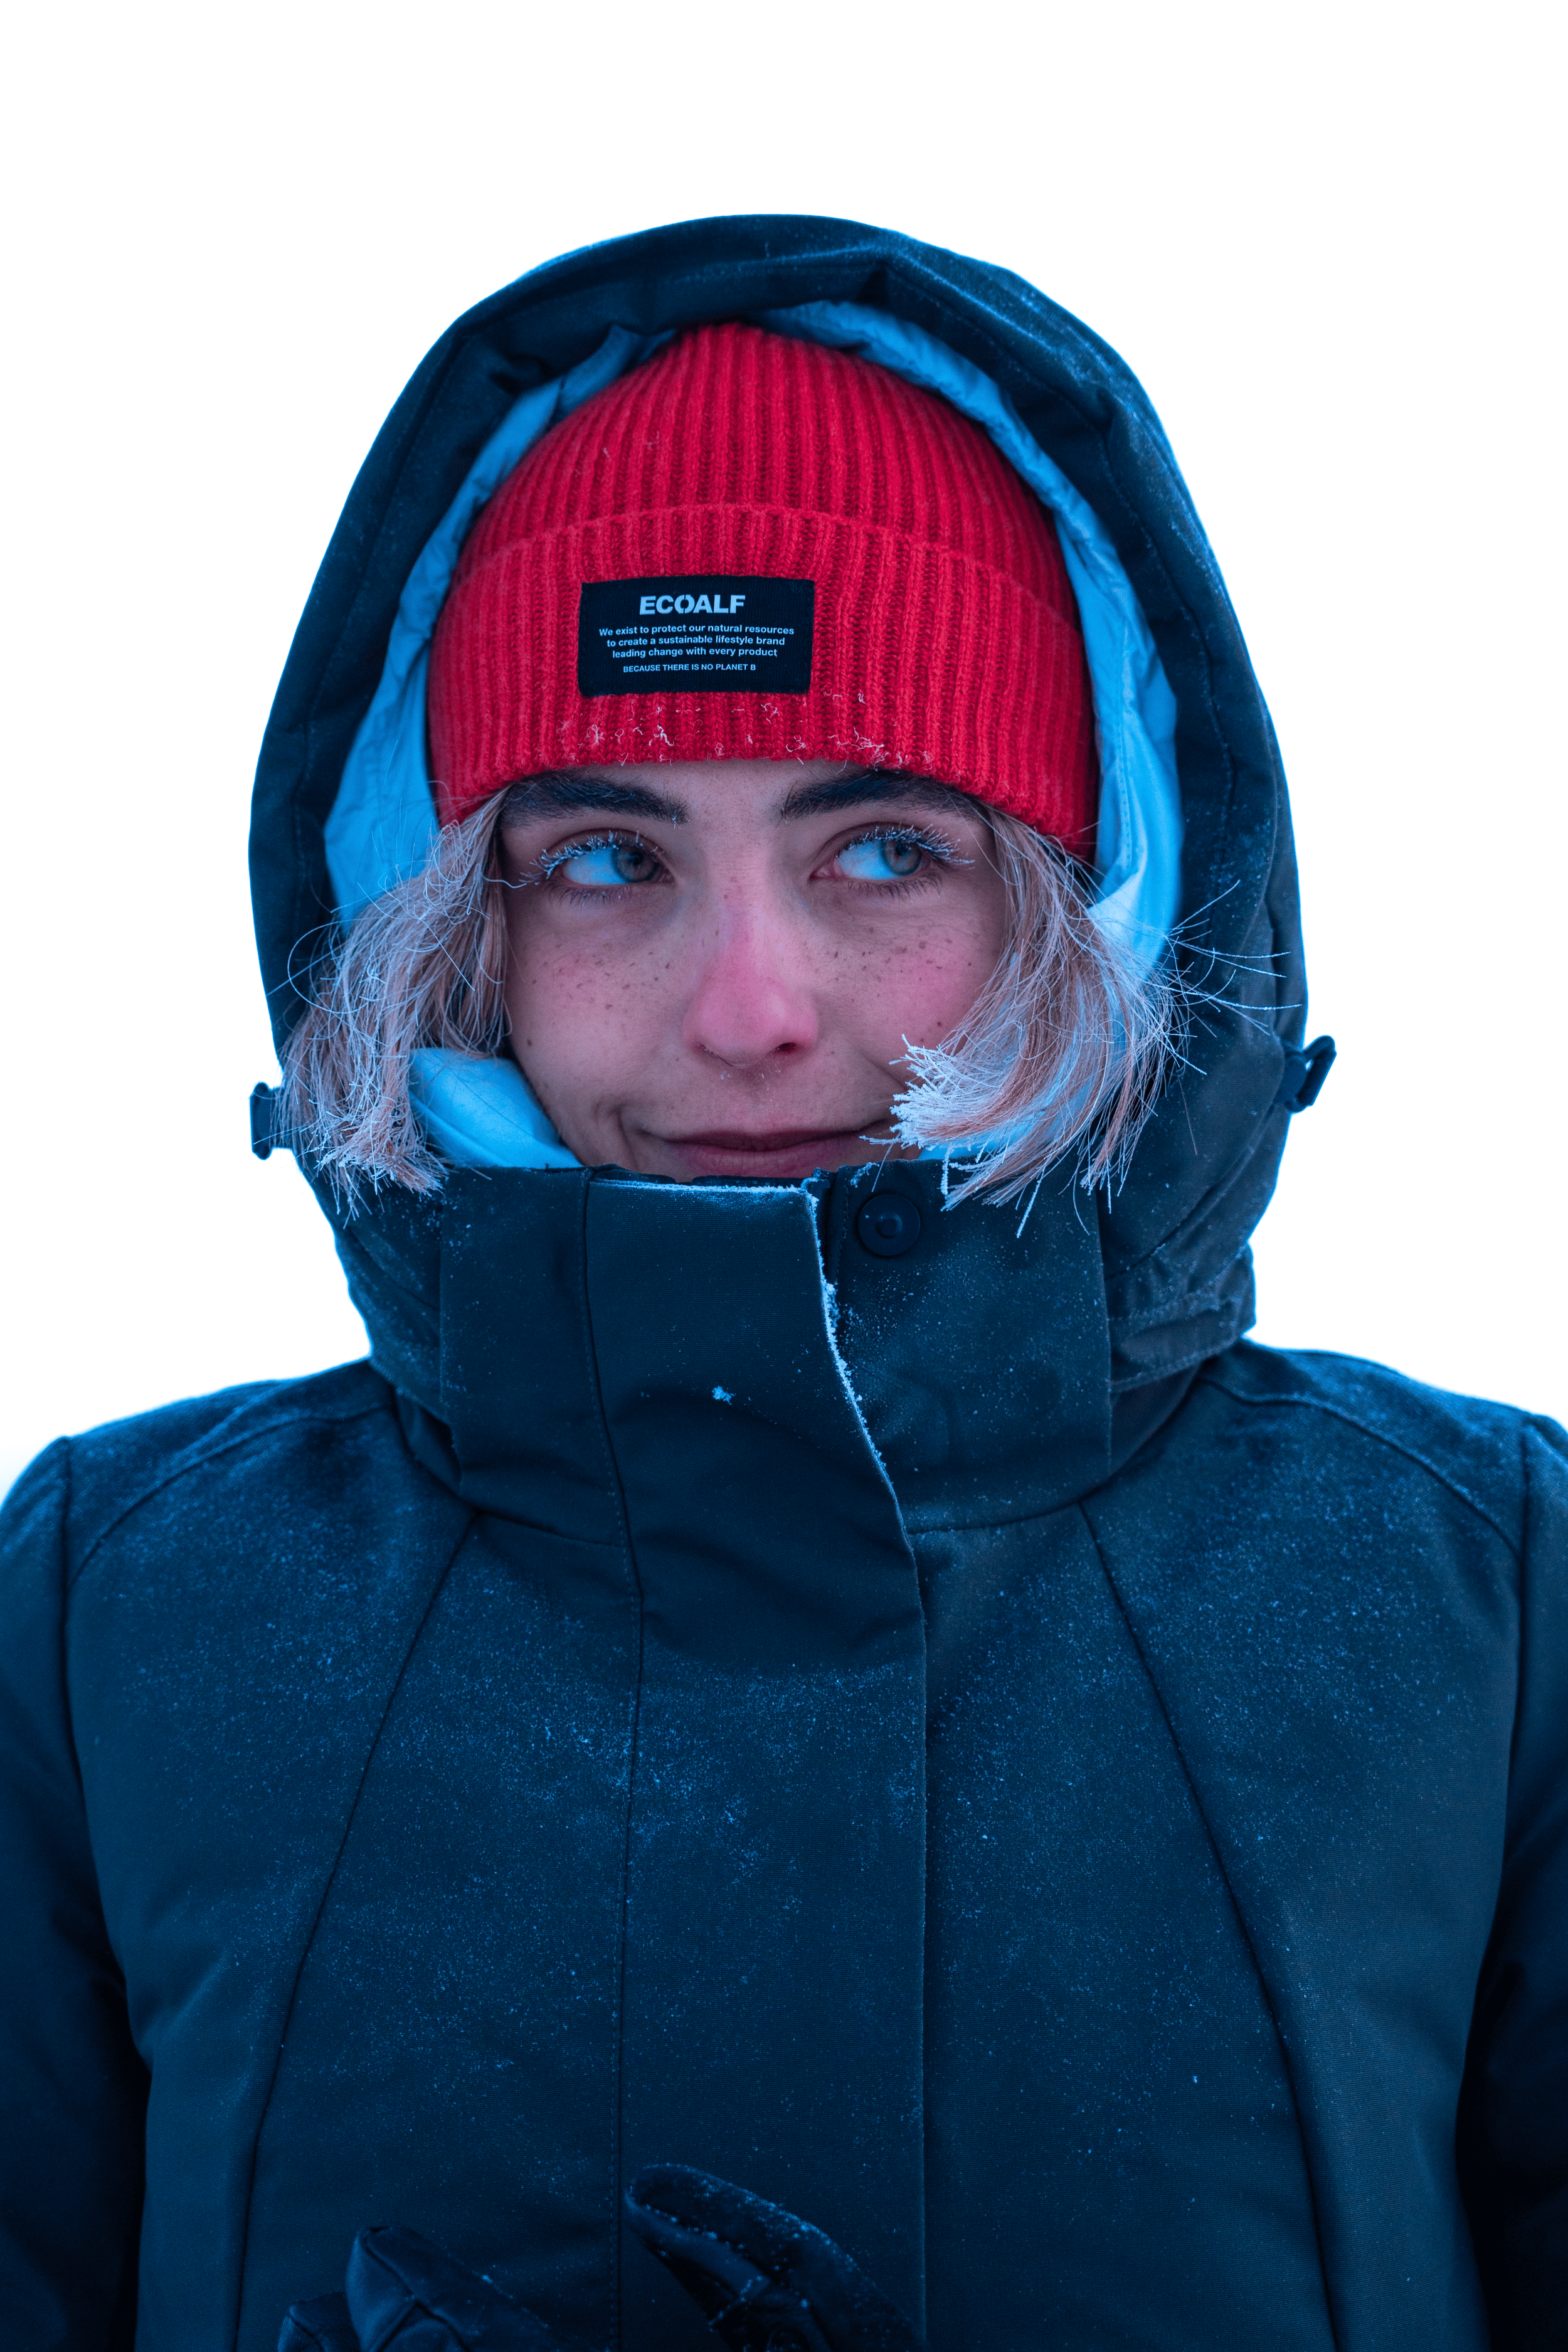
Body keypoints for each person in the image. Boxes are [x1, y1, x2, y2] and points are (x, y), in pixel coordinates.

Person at [0, 216, 1562, 2352]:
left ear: (1087, 907)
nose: (748, 1009)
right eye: (606, 859)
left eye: (885, 849)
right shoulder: (115, 1613)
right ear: (448, 927)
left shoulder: (1478, 1602)